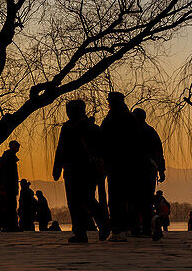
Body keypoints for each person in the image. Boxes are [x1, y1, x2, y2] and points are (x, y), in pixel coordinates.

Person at [53, 99, 109, 243]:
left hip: (74, 169)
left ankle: (83, 231)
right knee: (86, 199)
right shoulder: (94, 127)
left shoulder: (68, 128)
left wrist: (57, 168)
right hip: (88, 170)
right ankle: (97, 225)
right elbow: (103, 150)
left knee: (76, 201)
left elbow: (61, 149)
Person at [100, 92, 136, 240]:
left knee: (115, 197)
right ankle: (128, 227)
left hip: (114, 162)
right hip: (130, 162)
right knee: (127, 196)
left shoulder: (111, 118)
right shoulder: (131, 118)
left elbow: (102, 139)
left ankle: (117, 229)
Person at [131, 108, 166, 238]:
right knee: (146, 200)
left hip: (134, 171)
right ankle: (148, 226)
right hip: (150, 171)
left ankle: (136, 228)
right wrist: (161, 170)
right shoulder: (151, 131)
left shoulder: (131, 132)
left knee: (135, 200)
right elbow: (159, 152)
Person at [0, 141, 21, 231]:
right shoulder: (8, 156)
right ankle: (10, 225)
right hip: (9, 184)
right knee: (10, 205)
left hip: (10, 183)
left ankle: (11, 225)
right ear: (12, 146)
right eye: (16, 147)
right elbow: (5, 171)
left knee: (11, 204)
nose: (18, 149)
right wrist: (3, 183)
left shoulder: (8, 156)